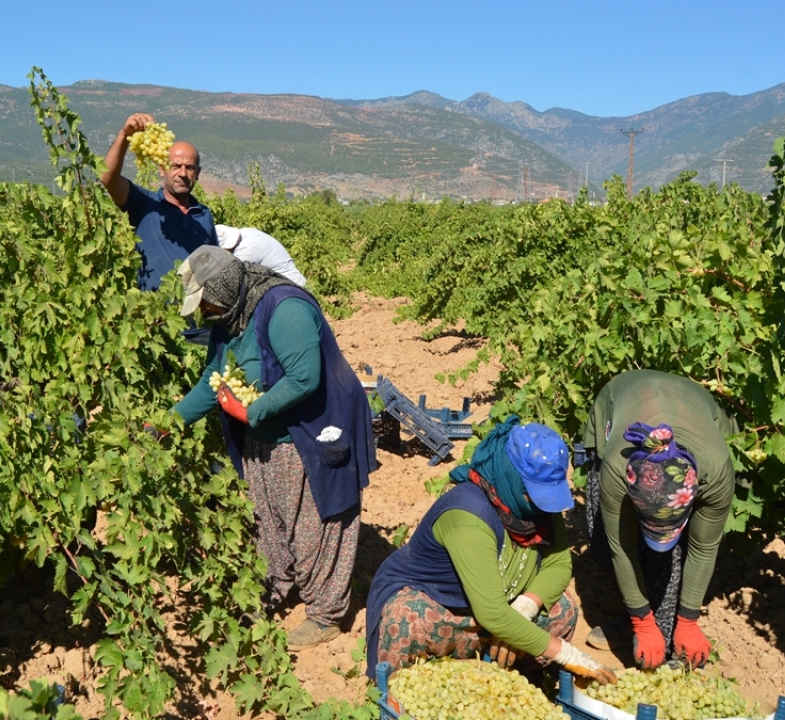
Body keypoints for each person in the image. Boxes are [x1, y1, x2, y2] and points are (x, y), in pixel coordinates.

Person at [169, 246, 375, 649]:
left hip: (314, 429)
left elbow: (303, 378)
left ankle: (325, 613)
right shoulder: (229, 314)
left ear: (224, 289)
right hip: (267, 433)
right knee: (268, 514)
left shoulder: (285, 309)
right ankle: (275, 585)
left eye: (206, 302)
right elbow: (216, 375)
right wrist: (169, 422)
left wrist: (251, 412)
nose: (204, 311)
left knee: (318, 521)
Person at [365, 416, 618, 686]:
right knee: (407, 615)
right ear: (512, 476)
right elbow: (491, 613)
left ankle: (515, 686)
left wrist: (523, 610)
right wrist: (565, 653)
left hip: (496, 610)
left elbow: (559, 565)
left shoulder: (535, 507)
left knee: (563, 608)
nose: (545, 505)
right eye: (535, 493)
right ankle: (399, 692)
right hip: (442, 608)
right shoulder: (468, 515)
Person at [580, 369, 739, 669]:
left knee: (669, 561)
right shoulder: (617, 470)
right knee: (602, 537)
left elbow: (704, 547)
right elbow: (621, 546)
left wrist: (689, 619)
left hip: (691, 403)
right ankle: (633, 611)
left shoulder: (715, 473)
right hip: (620, 400)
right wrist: (641, 621)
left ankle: (666, 625)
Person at [99, 112, 217, 292]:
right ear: (162, 169)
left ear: (198, 173)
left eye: (190, 167)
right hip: (157, 318)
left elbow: (213, 267)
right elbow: (107, 179)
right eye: (176, 166)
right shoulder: (144, 204)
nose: (183, 174)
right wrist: (124, 136)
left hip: (197, 317)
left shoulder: (204, 215)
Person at [215, 225, 308, 287]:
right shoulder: (245, 232)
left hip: (291, 287)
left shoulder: (246, 250)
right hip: (288, 284)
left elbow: (230, 278)